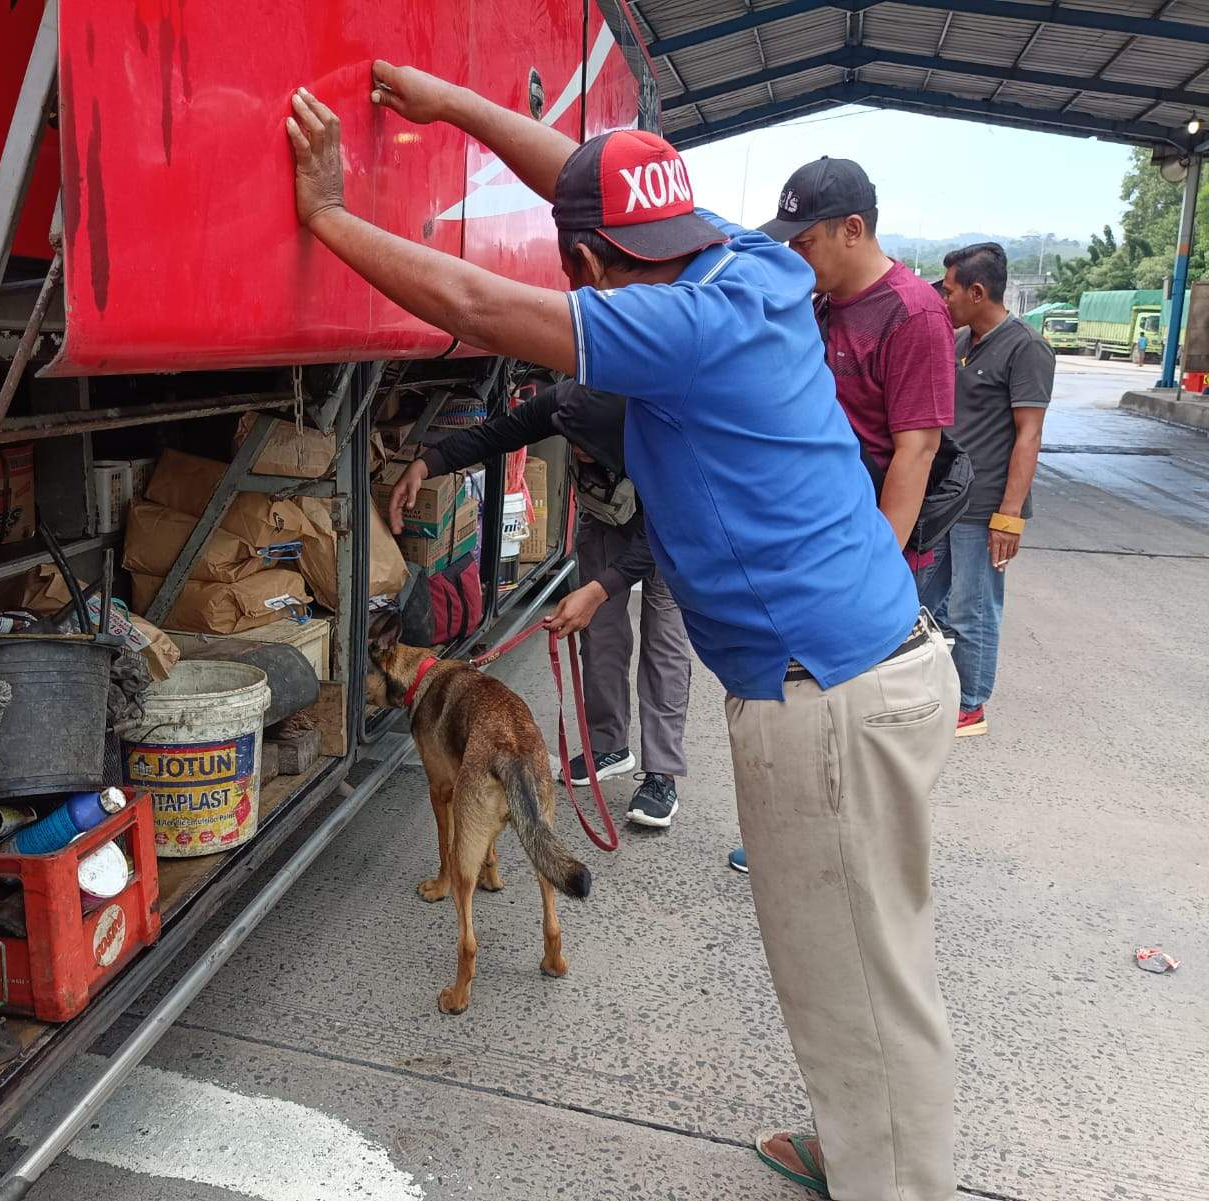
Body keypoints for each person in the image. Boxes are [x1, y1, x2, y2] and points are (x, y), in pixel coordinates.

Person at [284, 70, 960, 1200]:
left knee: (864, 977)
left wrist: (327, 216)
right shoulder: (747, 268)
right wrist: (448, 104)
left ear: (590, 266)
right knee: (841, 959)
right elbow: (586, 183)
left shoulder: (677, 327)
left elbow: (477, 305)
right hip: (860, 668)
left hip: (829, 697)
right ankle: (861, 1146)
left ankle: (892, 1179)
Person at [721, 157, 956, 874]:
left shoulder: (913, 314)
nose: (796, 253)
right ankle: (796, 833)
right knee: (806, 695)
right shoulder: (818, 303)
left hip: (868, 554)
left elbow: (916, 450)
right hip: (814, 544)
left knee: (860, 705)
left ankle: (851, 853)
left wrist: (873, 562)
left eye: (806, 240)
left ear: (853, 230)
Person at [387, 381, 691, 827]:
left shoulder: (664, 433)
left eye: (589, 445)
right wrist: (425, 464)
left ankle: (661, 773)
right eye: (574, 442)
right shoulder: (564, 403)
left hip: (669, 532)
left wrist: (599, 589)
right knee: (599, 635)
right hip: (607, 513)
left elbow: (666, 532)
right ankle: (607, 744)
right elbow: (495, 435)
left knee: (664, 643)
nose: (578, 451)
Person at [925, 242, 1054, 737]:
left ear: (978, 291)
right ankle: (938, 688)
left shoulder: (1026, 348)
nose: (945, 296)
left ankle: (972, 703)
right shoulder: (959, 341)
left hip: (985, 509)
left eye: (951, 288)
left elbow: (1029, 434)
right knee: (924, 600)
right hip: (946, 502)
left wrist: (1010, 516)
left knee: (972, 607)